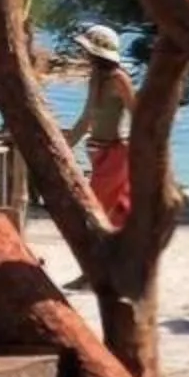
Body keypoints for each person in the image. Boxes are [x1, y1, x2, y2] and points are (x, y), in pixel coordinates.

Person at [68, 21, 135, 224]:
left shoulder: (119, 79)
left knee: (101, 206)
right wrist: (66, 146)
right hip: (97, 151)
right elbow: (87, 117)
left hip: (116, 151)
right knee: (106, 207)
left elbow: (137, 113)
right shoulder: (96, 78)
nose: (84, 55)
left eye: (87, 51)